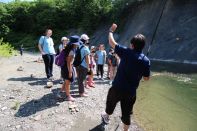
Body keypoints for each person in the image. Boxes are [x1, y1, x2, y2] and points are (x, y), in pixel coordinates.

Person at [101, 24, 150, 131]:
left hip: (117, 87)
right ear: (143, 46)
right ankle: (125, 130)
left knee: (110, 104)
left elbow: (111, 42)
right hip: (131, 92)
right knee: (127, 113)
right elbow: (146, 79)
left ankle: (107, 117)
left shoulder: (126, 52)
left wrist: (110, 31)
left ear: (132, 45)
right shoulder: (146, 60)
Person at [58, 35, 80, 101]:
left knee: (65, 80)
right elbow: (69, 63)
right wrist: (70, 72)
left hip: (64, 67)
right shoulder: (71, 51)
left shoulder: (67, 48)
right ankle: (68, 96)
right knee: (68, 81)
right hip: (67, 67)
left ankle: (61, 91)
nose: (77, 45)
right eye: (77, 44)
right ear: (73, 44)